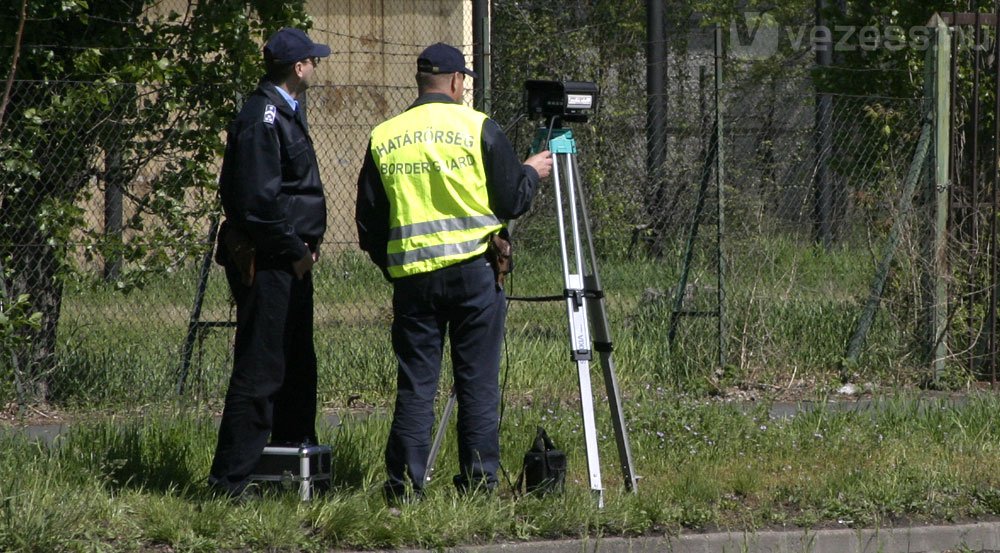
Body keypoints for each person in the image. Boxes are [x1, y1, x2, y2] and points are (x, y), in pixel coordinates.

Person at [355, 42, 553, 501]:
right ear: (458, 81)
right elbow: (511, 200)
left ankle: (404, 489)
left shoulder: (385, 135)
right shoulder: (477, 127)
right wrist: (530, 171)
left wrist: (396, 266)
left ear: (421, 81)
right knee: (477, 383)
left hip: (413, 281)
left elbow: (369, 223)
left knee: (417, 384)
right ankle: (478, 487)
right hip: (473, 273)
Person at [208, 27, 330, 499]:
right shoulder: (263, 117)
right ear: (298, 67)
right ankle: (230, 482)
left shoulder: (286, 113)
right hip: (273, 262)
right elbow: (259, 203)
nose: (316, 66)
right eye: (312, 60)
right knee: (261, 370)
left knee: (297, 365)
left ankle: (288, 468)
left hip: (292, 261)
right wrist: (296, 250)